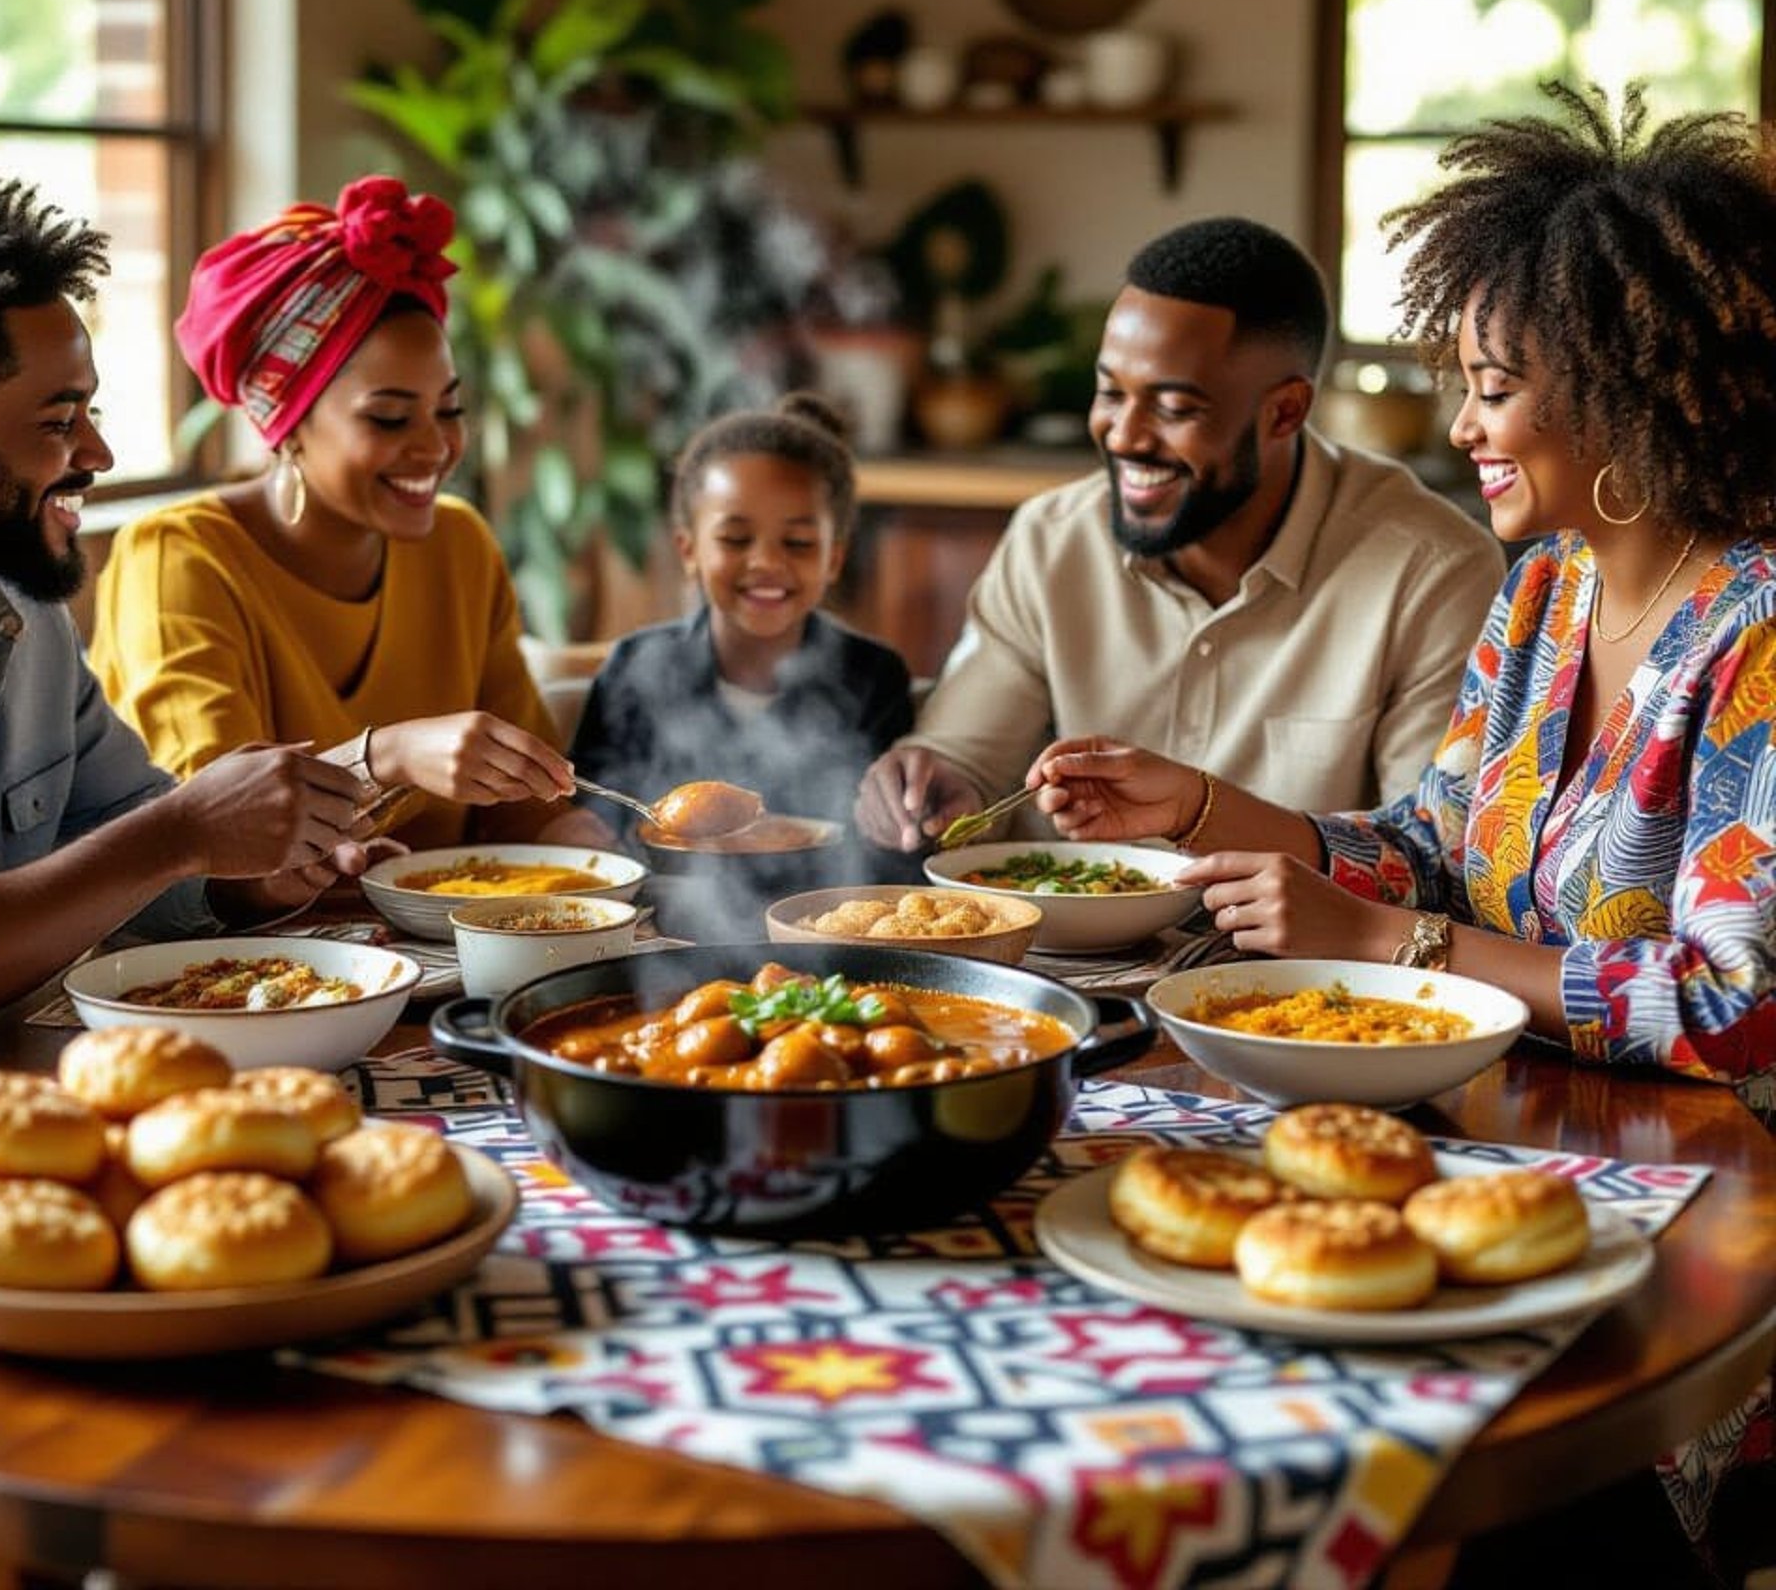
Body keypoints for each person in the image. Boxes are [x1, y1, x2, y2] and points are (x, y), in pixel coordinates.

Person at [1030, 88, 1776, 1111]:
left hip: (1718, 1163)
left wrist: (1391, 944)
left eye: (1495, 389)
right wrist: (1202, 807)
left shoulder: (1754, 633)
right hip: (1523, 1116)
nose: (1465, 426)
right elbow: (1433, 850)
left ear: (1622, 395)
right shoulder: (1547, 596)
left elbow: (1736, 1007)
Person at [0, 174, 371, 1065]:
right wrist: (179, 835)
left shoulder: (20, 604)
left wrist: (236, 877)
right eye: (61, 422)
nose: (97, 454)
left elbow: (113, 832)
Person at [855, 216, 1504, 854]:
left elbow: (1427, 856)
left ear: (1284, 412)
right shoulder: (1052, 541)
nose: (1125, 436)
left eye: (1173, 409)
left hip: (1293, 961)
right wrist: (930, 789)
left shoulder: (1431, 569)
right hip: (1061, 953)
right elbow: (967, 758)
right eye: (1110, 393)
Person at [89, 178, 609, 853]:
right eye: (389, 417)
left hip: (440, 947)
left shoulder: (460, 544)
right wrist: (386, 757)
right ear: (288, 425)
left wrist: (580, 830)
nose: (435, 446)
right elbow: (210, 833)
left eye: (449, 409)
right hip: (244, 956)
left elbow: (520, 809)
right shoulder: (179, 558)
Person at [569, 393, 913, 867]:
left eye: (798, 542)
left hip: (822, 918)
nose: (768, 562)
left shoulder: (873, 677)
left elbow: (890, 849)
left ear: (834, 558)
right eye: (734, 539)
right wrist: (581, 830)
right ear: (688, 550)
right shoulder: (636, 667)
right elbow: (596, 804)